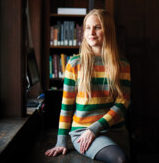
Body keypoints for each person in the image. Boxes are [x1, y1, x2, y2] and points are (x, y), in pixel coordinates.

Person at [45, 9, 131, 163]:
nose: (91, 32)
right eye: (87, 28)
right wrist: (61, 141)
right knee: (120, 159)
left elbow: (123, 103)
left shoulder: (122, 65)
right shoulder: (74, 64)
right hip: (83, 132)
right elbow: (66, 106)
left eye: (97, 27)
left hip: (115, 130)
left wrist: (96, 128)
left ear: (108, 31)